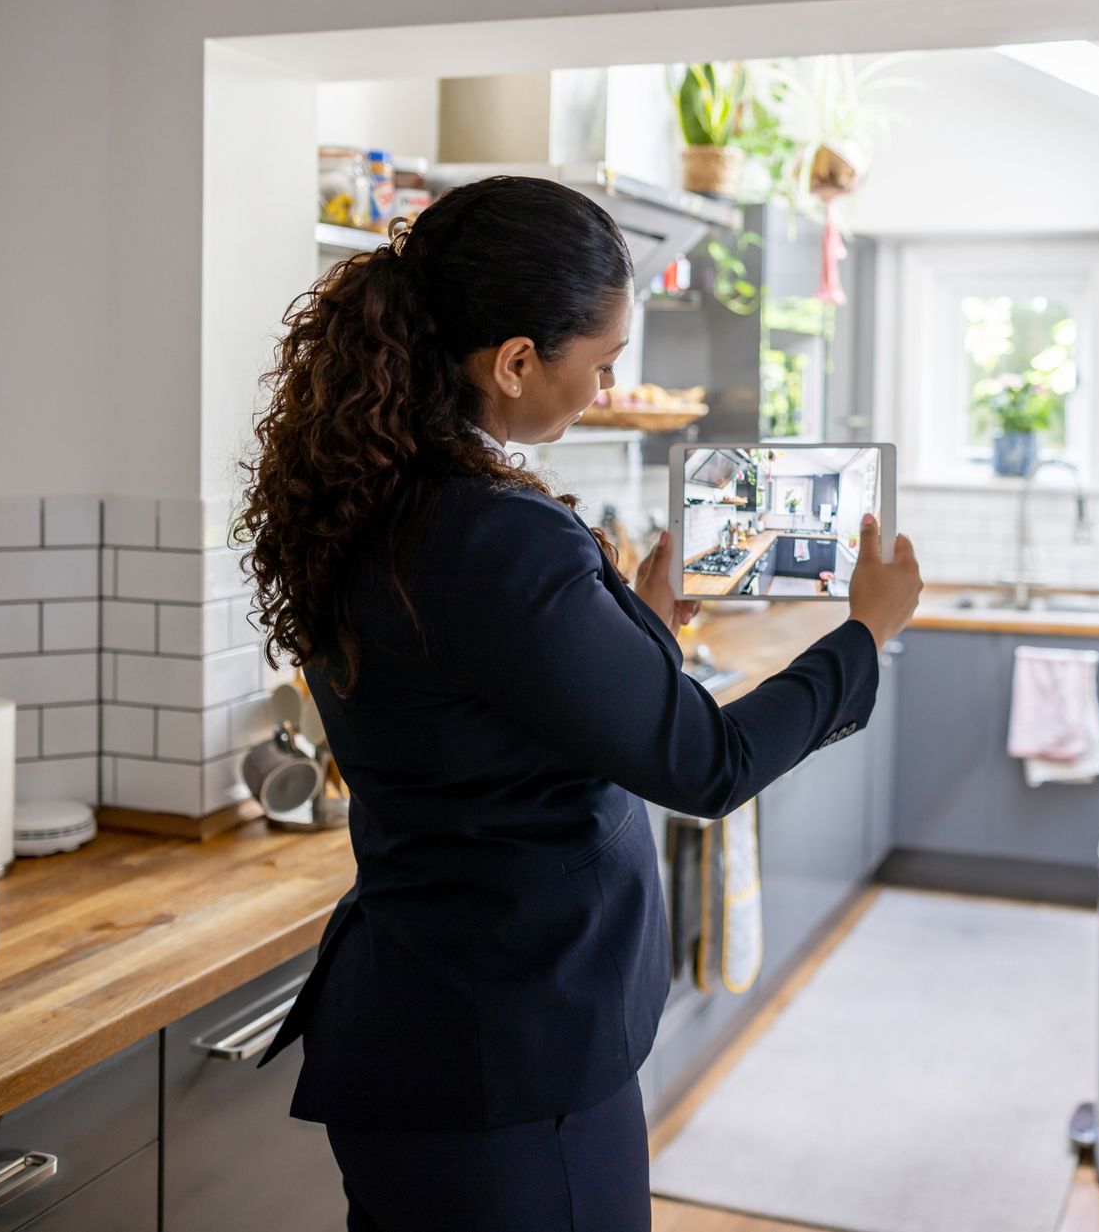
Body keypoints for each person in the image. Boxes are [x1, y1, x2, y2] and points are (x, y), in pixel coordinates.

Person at [239, 175, 922, 1231]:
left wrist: (646, 621)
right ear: (514, 361)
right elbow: (711, 762)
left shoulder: (374, 496)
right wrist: (865, 633)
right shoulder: (496, 535)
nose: (606, 387)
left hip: (421, 1037)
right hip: (512, 1060)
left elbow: (499, 702)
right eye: (601, 362)